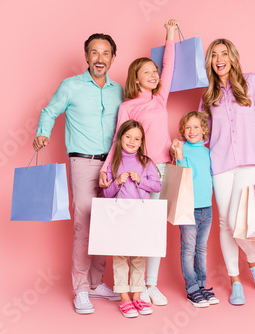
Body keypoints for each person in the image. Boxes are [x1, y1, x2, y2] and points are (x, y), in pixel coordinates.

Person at [32, 33, 123, 314]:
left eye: (105, 53)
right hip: (83, 163)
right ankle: (81, 289)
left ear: (112, 57)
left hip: (113, 164)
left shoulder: (118, 89)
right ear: (86, 57)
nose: (99, 59)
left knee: (106, 223)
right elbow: (49, 112)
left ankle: (97, 284)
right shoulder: (70, 86)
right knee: (83, 224)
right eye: (94, 53)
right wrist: (42, 134)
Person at [99, 19, 179, 306]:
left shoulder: (160, 100)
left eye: (155, 71)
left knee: (155, 229)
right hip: (137, 174)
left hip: (162, 170)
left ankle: (150, 285)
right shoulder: (127, 107)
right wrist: (106, 170)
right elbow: (116, 142)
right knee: (137, 228)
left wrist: (169, 35)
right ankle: (133, 287)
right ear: (136, 78)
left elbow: (169, 68)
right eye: (148, 72)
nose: (155, 75)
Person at [199, 38, 255, 305]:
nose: (219, 59)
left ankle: (253, 262)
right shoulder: (208, 96)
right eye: (214, 55)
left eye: (223, 53)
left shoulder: (251, 82)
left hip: (248, 163)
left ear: (232, 57)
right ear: (209, 62)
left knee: (236, 221)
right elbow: (202, 134)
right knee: (223, 223)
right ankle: (235, 281)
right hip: (219, 166)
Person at [103, 120, 162, 318]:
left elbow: (157, 186)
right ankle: (124, 297)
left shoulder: (146, 162)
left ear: (141, 142)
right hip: (120, 216)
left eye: (137, 138)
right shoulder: (114, 163)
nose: (132, 141)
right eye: (128, 137)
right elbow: (107, 194)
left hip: (140, 217)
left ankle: (137, 295)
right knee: (120, 256)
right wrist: (116, 182)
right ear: (120, 138)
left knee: (138, 256)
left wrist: (141, 180)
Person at [171, 111, 219, 308]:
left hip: (206, 209)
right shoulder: (179, 148)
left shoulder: (209, 152)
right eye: (188, 127)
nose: (192, 131)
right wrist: (179, 154)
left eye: (196, 127)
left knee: (201, 249)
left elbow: (212, 177)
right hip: (187, 208)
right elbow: (183, 175)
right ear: (183, 130)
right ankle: (191, 289)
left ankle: (201, 285)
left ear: (204, 130)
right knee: (188, 249)